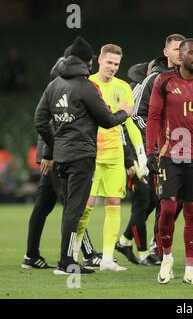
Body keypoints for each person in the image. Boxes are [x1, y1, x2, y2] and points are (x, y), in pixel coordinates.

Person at [34, 36, 133, 275]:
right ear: (90, 61)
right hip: (82, 156)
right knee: (75, 210)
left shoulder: (54, 85)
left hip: (63, 156)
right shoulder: (87, 86)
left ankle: (68, 259)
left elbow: (40, 121)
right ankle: (66, 262)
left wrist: (55, 144)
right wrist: (124, 112)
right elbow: (107, 120)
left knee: (72, 207)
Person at [146, 38, 193, 285]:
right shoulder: (164, 81)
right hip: (169, 155)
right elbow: (154, 117)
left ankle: (190, 270)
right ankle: (167, 258)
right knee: (167, 210)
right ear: (182, 54)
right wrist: (150, 152)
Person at [23, 48, 101, 270]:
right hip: (57, 155)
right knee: (71, 204)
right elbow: (51, 125)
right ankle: (84, 254)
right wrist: (49, 153)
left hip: (53, 152)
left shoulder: (56, 87)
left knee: (45, 204)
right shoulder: (68, 89)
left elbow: (45, 123)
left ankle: (31, 255)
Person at [71, 43, 147, 272]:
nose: (113, 67)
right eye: (109, 62)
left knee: (114, 203)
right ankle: (72, 254)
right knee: (86, 206)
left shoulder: (123, 87)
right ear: (100, 60)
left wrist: (140, 153)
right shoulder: (87, 85)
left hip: (114, 155)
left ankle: (107, 258)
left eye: (116, 64)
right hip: (91, 155)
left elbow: (130, 123)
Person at [125, 34, 186, 263]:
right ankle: (155, 249)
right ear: (166, 52)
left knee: (177, 202)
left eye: (183, 48)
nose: (180, 52)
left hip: (185, 150)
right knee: (157, 200)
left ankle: (147, 245)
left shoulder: (190, 80)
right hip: (157, 152)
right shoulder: (154, 79)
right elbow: (135, 115)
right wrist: (154, 142)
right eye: (176, 48)